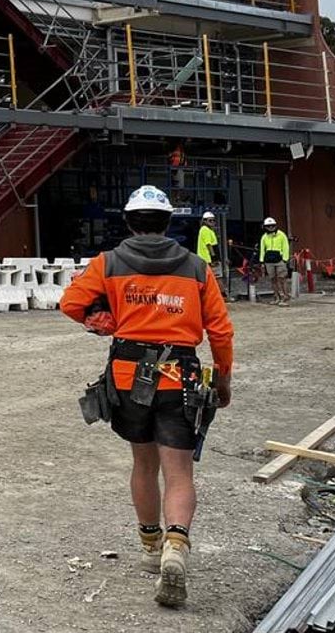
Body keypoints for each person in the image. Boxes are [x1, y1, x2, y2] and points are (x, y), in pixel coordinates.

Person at [60, 184, 234, 609]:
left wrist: (107, 323)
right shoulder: (195, 268)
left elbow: (70, 303)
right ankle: (178, 545)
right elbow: (221, 330)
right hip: (182, 376)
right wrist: (224, 381)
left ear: (129, 221)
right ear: (167, 222)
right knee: (179, 472)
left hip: (127, 374)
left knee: (143, 462)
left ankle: (152, 547)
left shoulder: (109, 263)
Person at [259, 217, 292, 306]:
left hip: (279, 260)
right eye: (268, 226)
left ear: (275, 225)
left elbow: (285, 247)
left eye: (272, 225)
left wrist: (285, 259)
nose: (270, 227)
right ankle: (277, 297)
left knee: (282, 279)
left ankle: (285, 297)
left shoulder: (281, 235)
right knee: (272, 279)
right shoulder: (264, 237)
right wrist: (261, 261)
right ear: (265, 227)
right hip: (269, 261)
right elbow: (262, 249)